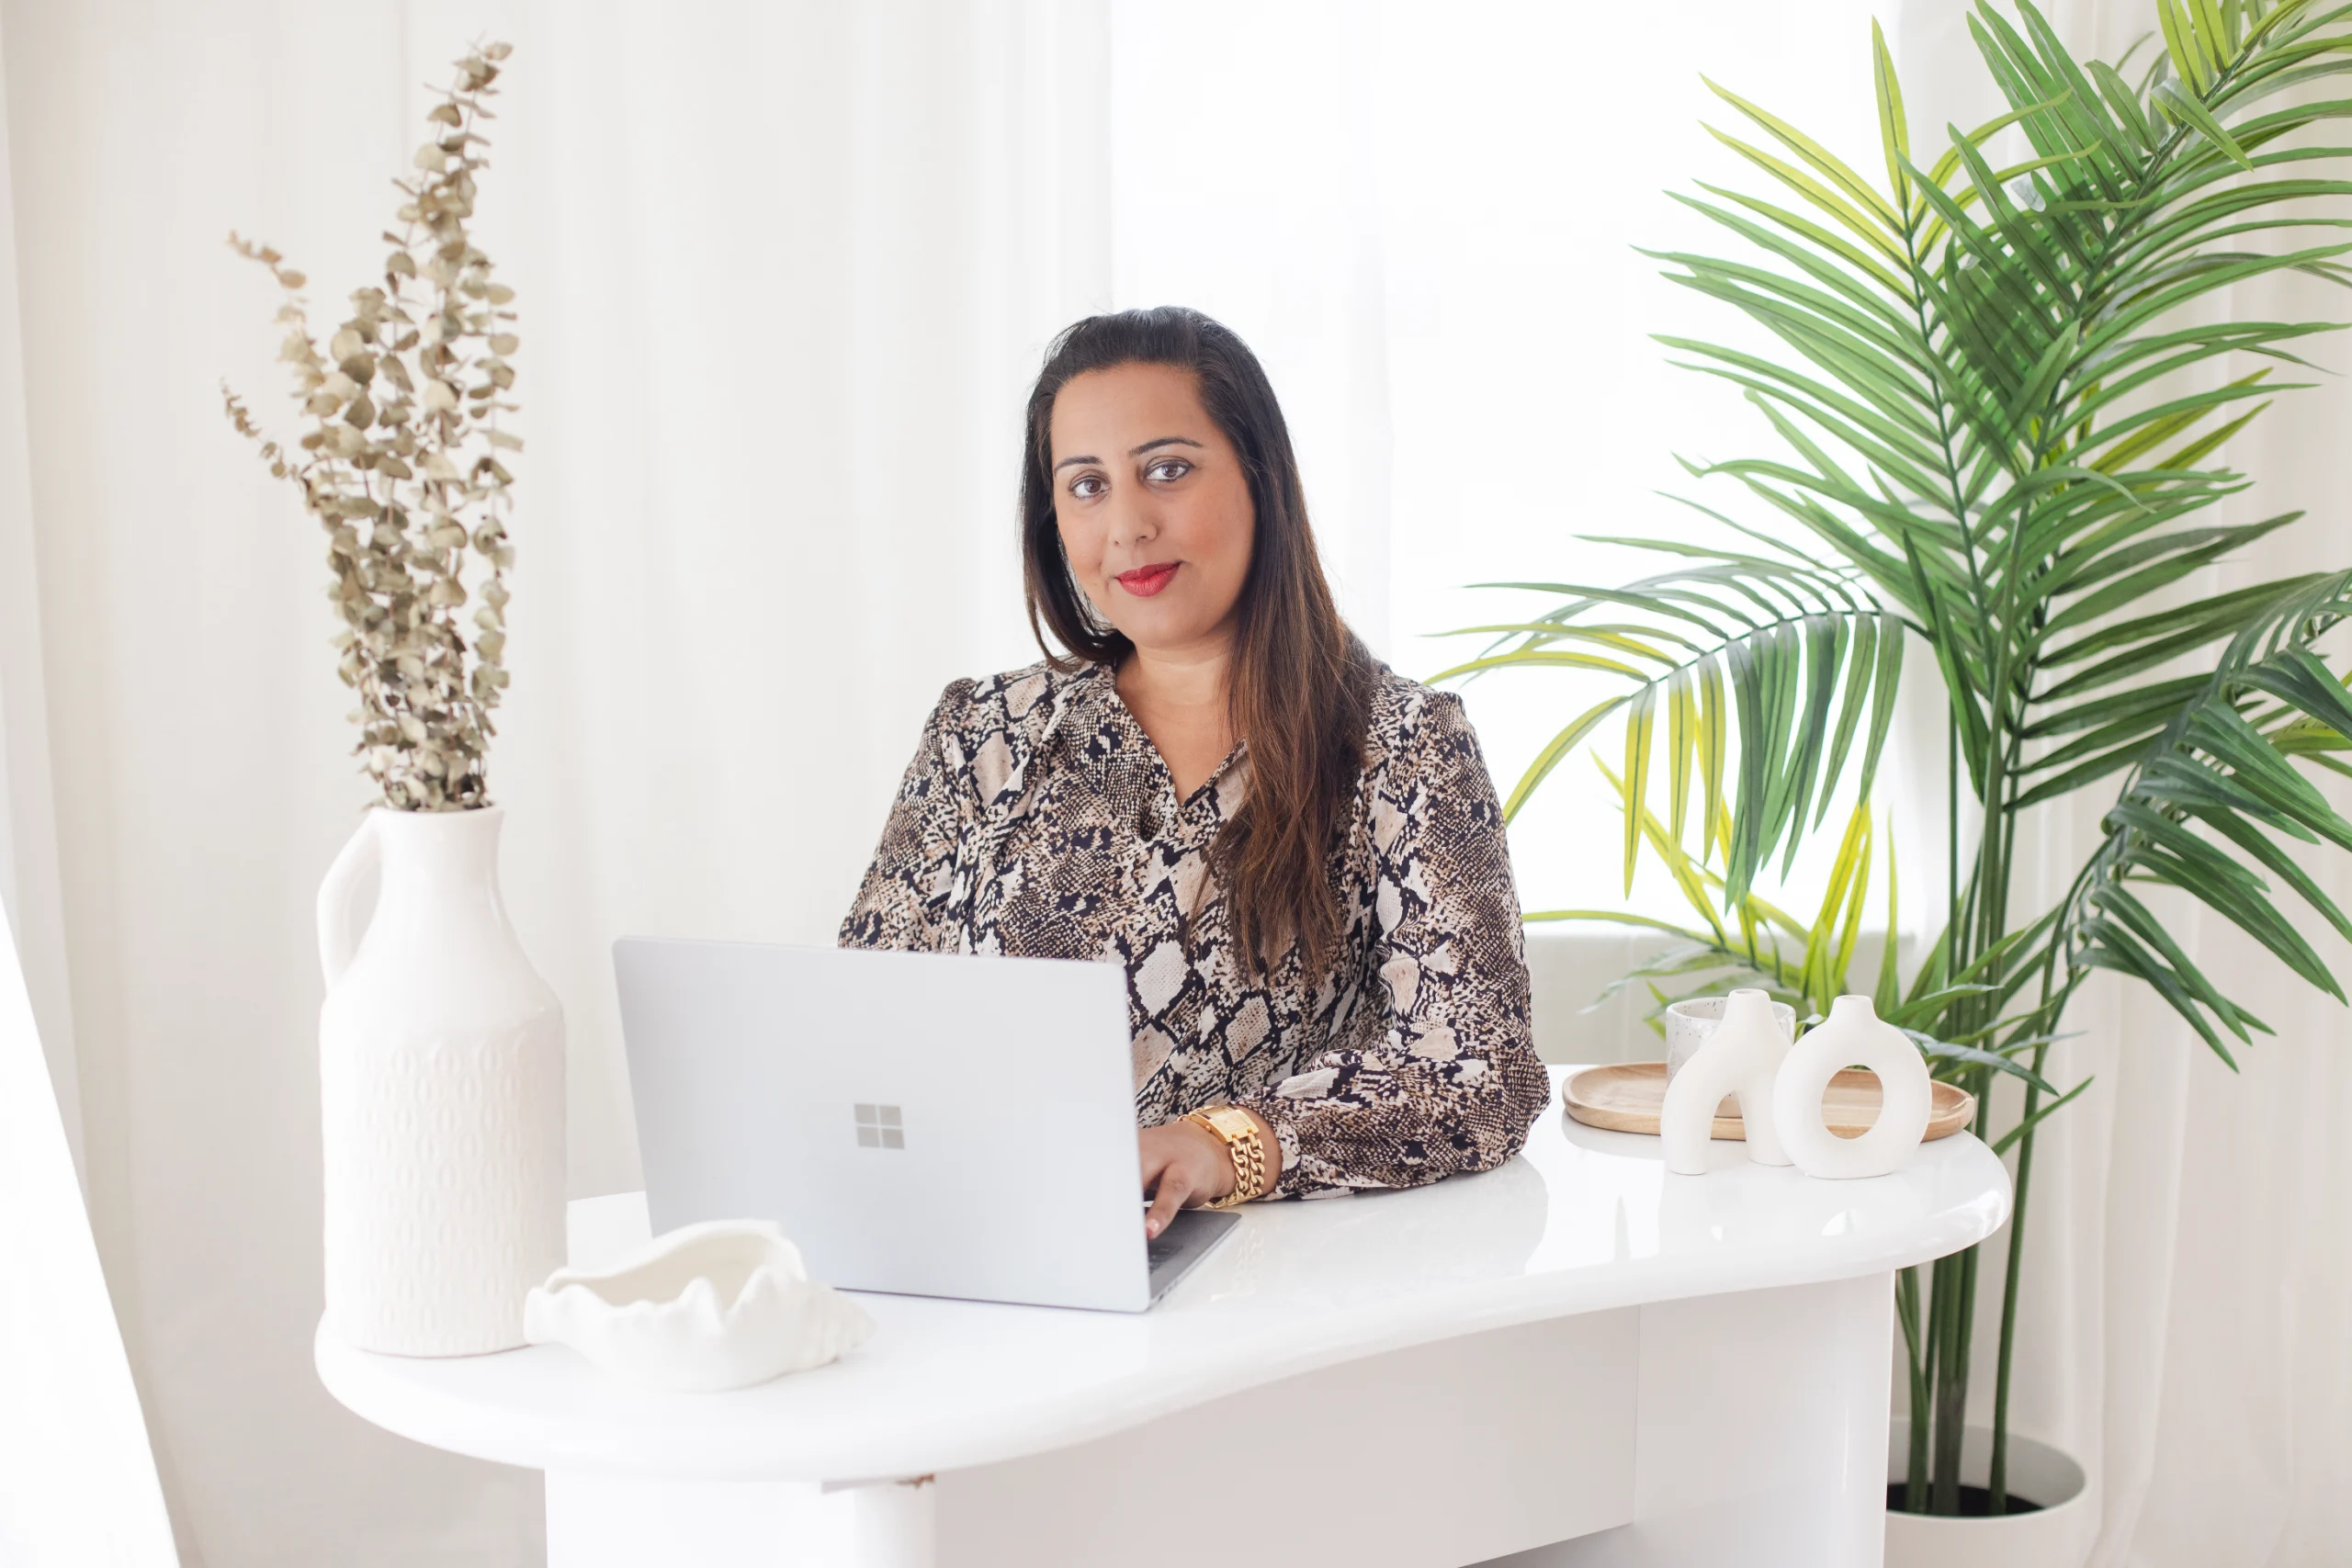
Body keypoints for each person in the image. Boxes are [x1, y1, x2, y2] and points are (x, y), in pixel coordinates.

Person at [842, 306, 1548, 1240]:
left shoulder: (1400, 742)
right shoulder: (981, 733)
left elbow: (1483, 1071)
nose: (1126, 526)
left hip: (1261, 1286)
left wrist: (1229, 1144)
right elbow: (860, 1028)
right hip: (980, 1248)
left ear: (1261, 480)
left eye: (1166, 471)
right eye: (1084, 485)